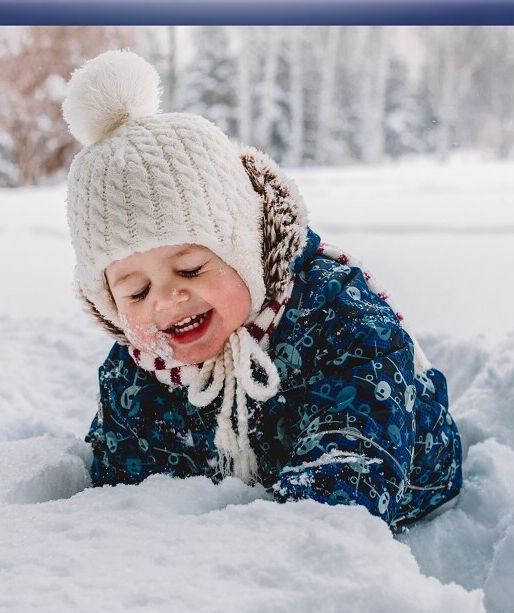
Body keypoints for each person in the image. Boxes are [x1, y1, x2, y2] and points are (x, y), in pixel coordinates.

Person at [62, 49, 463, 531]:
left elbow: (353, 467)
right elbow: (119, 482)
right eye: (135, 291)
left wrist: (271, 543)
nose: (165, 300)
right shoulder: (138, 371)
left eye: (190, 269)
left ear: (245, 251)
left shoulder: (341, 320)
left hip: (404, 484)